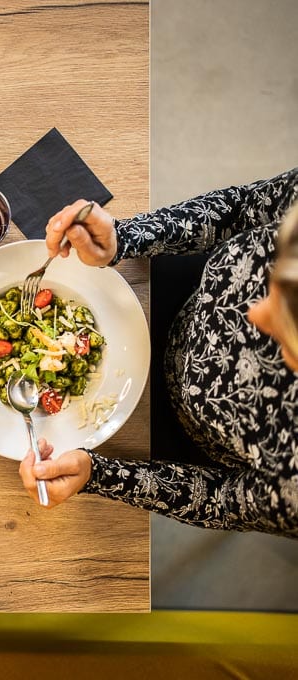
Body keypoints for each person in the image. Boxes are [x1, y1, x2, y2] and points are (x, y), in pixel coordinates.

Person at [18, 167, 298, 538]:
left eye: (282, 326)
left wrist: (97, 474)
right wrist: (124, 239)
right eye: (270, 279)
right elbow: (243, 210)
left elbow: (223, 502)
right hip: (174, 289)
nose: (254, 312)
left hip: (178, 436)